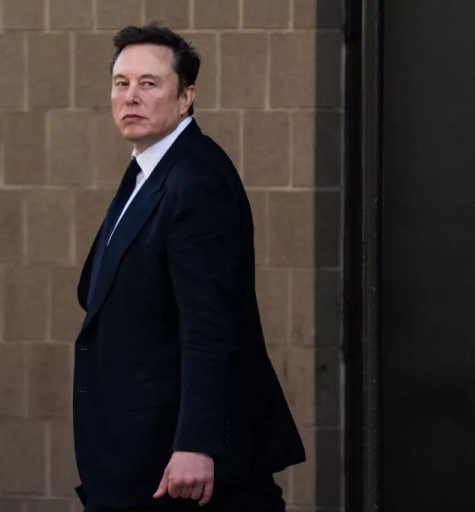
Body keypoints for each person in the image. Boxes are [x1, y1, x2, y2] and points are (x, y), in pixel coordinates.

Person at [73, 25, 305, 512]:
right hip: (136, 450)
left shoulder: (195, 178)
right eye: (121, 83)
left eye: (149, 83)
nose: (130, 96)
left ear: (186, 97)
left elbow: (210, 323)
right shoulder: (148, 169)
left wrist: (197, 443)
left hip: (179, 462)